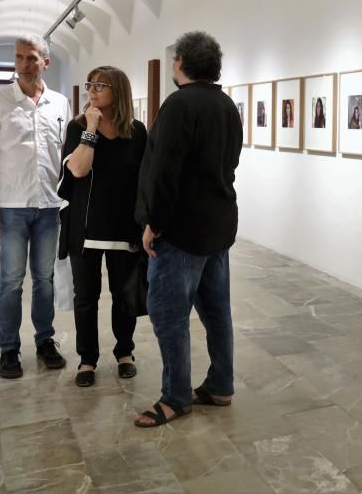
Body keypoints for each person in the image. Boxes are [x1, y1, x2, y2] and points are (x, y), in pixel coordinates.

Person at [134, 31, 243, 427]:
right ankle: (220, 385)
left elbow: (165, 173)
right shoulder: (227, 104)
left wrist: (153, 223)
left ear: (180, 62)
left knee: (168, 314)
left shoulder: (179, 105)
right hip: (218, 227)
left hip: (181, 231)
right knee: (217, 311)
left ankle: (176, 397)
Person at [0, 34, 70, 379]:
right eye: (19, 58)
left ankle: (45, 341)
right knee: (11, 280)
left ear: (46, 62)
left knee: (44, 279)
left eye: (31, 58)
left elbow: (65, 156)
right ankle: (9, 349)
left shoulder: (59, 103)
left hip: (49, 206)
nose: (24, 65)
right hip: (11, 206)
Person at [57, 66, 147, 387]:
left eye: (100, 85)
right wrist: (91, 129)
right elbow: (79, 170)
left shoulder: (137, 132)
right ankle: (87, 360)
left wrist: (147, 224)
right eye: (90, 85)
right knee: (86, 297)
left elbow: (143, 182)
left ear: (117, 91)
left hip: (124, 228)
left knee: (124, 295)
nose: (91, 91)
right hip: (85, 228)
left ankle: (125, 352)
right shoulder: (77, 127)